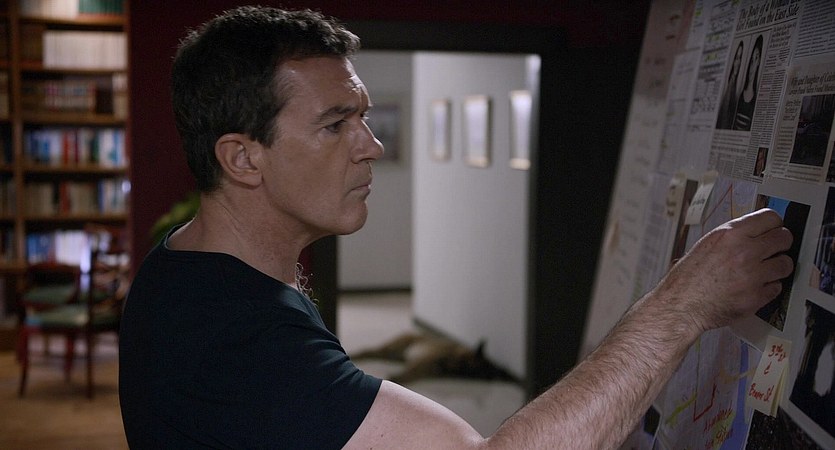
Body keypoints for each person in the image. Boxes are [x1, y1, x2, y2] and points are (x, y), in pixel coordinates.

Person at [118, 6, 794, 449]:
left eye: (363, 116)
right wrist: (680, 305)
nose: (371, 146)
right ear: (242, 158)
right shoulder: (235, 338)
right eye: (334, 124)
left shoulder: (185, 266)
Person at [732, 35, 763, 132]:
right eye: (752, 59)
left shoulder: (757, 97)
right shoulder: (739, 94)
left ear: (759, 62)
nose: (753, 63)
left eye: (756, 58)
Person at [716, 40, 743, 130]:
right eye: (737, 58)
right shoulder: (727, 83)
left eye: (740, 58)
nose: (738, 63)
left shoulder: (738, 88)